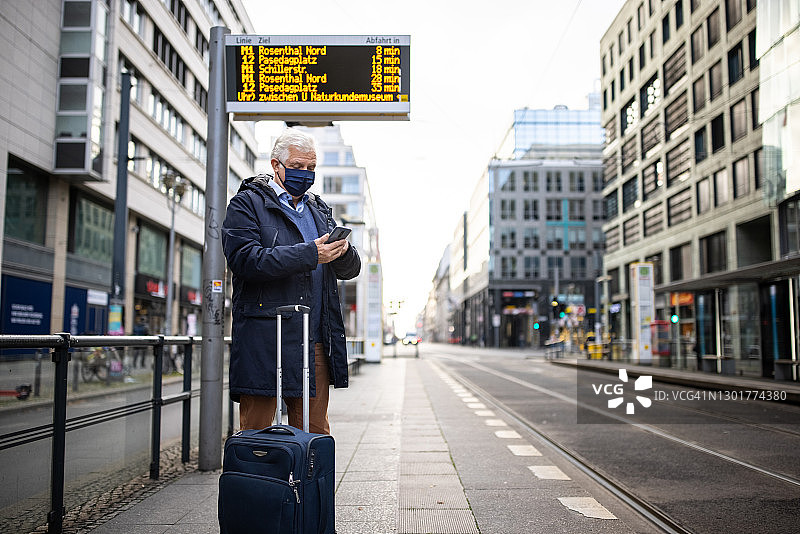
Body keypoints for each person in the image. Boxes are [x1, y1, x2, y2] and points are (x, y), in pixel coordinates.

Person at [222, 128, 361, 435]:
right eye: (298, 166)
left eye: (311, 168)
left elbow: (350, 271)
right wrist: (310, 254)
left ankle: (310, 486)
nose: (306, 174)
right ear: (276, 165)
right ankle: (258, 485)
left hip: (313, 342)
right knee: (256, 435)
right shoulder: (247, 204)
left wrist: (344, 251)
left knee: (314, 436)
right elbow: (245, 260)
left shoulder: (319, 211)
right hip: (265, 338)